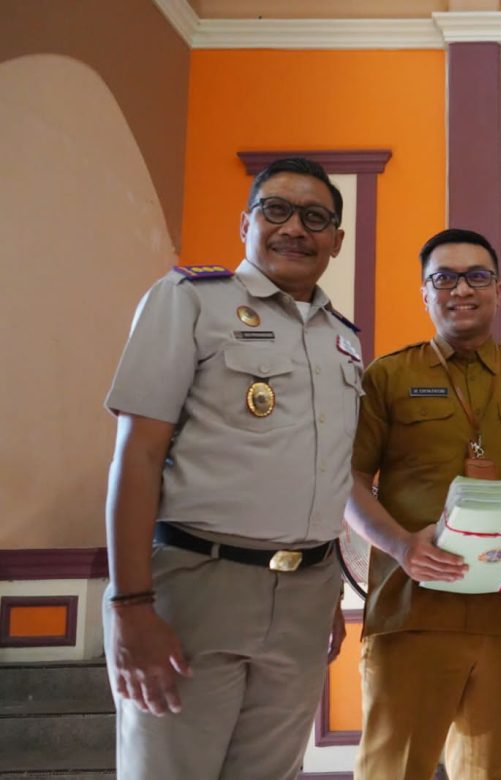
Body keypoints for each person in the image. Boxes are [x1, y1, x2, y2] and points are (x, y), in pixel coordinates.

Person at [103, 156, 359, 779]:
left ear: (336, 240)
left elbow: (324, 469)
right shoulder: (189, 301)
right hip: (198, 585)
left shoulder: (344, 339)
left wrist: (325, 586)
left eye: (315, 218)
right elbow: (138, 455)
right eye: (277, 210)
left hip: (305, 595)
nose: (294, 228)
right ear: (246, 223)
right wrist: (130, 604)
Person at [345, 228, 501, 780]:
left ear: (498, 289)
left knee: (491, 771)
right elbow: (345, 480)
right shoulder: (388, 376)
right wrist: (401, 546)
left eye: (477, 276)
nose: (462, 289)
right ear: (425, 292)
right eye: (444, 278)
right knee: (393, 771)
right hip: (414, 609)